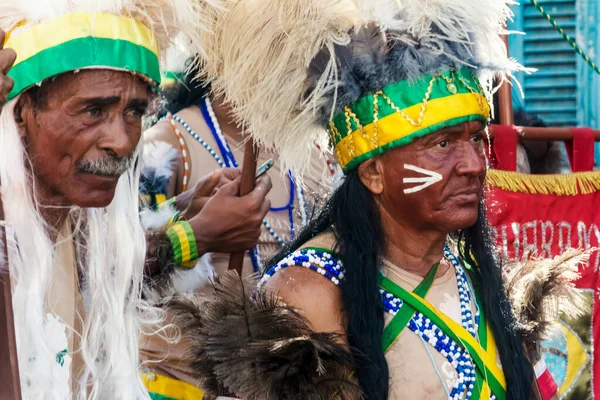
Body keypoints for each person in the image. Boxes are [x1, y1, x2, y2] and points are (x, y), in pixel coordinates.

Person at [166, 0, 566, 399]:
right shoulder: (305, 295)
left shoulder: (484, 280)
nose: (473, 165)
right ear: (373, 172)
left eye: (477, 138)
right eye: (442, 144)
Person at [0, 2, 271, 398]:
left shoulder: (76, 216)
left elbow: (106, 268)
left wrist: (183, 214)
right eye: (93, 110)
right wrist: (195, 234)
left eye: (135, 112)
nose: (122, 141)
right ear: (22, 113)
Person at [142, 54, 340, 281]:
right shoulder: (164, 145)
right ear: (216, 54)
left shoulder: (319, 151)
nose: (276, 67)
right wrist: (198, 234)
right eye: (264, 51)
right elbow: (119, 269)